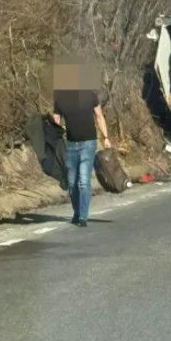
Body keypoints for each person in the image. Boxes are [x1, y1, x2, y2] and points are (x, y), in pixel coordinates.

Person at [53, 73, 112, 228]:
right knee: (72, 182)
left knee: (84, 181)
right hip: (71, 145)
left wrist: (106, 137)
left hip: (88, 143)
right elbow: (56, 120)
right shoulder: (60, 99)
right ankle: (77, 212)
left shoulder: (89, 95)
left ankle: (83, 216)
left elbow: (99, 115)